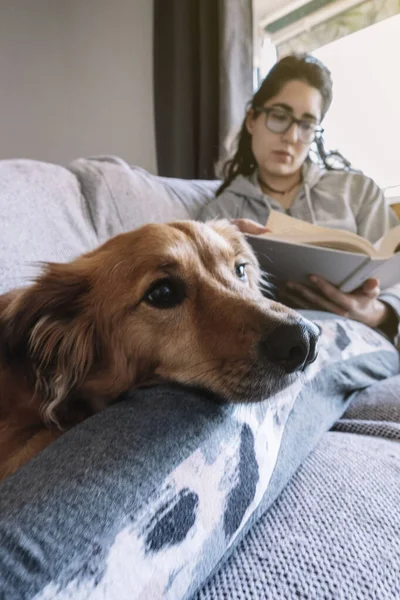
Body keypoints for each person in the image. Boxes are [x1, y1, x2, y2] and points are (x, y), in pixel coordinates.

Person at [198, 53, 400, 342]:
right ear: (252, 119)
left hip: (361, 339)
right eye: (279, 116)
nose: (292, 136)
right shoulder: (223, 210)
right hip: (273, 342)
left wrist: (377, 312)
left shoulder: (357, 192)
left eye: (306, 125)